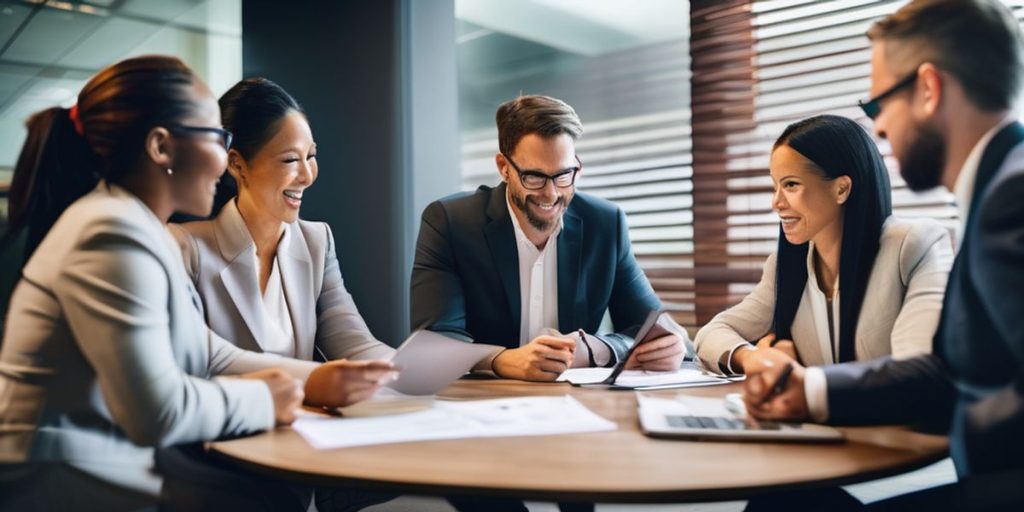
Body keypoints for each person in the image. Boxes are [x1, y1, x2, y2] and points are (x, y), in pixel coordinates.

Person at [0, 56, 394, 511]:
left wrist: (314, 380)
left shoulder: (132, 227)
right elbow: (158, 412)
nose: (220, 160)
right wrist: (266, 398)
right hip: (63, 486)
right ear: (162, 147)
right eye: (215, 136)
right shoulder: (109, 234)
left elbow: (211, 352)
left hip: (102, 473)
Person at [744, 0, 1024, 509]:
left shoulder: (1013, 197)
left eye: (878, 105)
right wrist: (812, 390)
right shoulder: (998, 190)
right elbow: (950, 372)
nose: (878, 130)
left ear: (928, 89)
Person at [168, 77, 396, 512]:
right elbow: (195, 369)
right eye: (291, 159)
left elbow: (354, 342)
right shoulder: (186, 247)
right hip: (221, 458)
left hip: (298, 446)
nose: (307, 175)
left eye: (312, 156)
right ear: (237, 164)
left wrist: (410, 372)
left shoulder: (316, 240)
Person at [411, 94, 688, 383]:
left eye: (563, 175)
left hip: (573, 405)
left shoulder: (605, 224)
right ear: (504, 168)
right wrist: (502, 360)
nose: (551, 193)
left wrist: (597, 349)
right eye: (534, 177)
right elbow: (434, 343)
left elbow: (652, 330)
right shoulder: (451, 222)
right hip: (479, 405)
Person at [694, 114, 952, 384]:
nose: (776, 203)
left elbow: (916, 368)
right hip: (822, 423)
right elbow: (712, 333)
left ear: (841, 189)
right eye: (775, 186)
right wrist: (754, 358)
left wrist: (808, 384)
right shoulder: (785, 265)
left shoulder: (913, 246)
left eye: (791, 184)